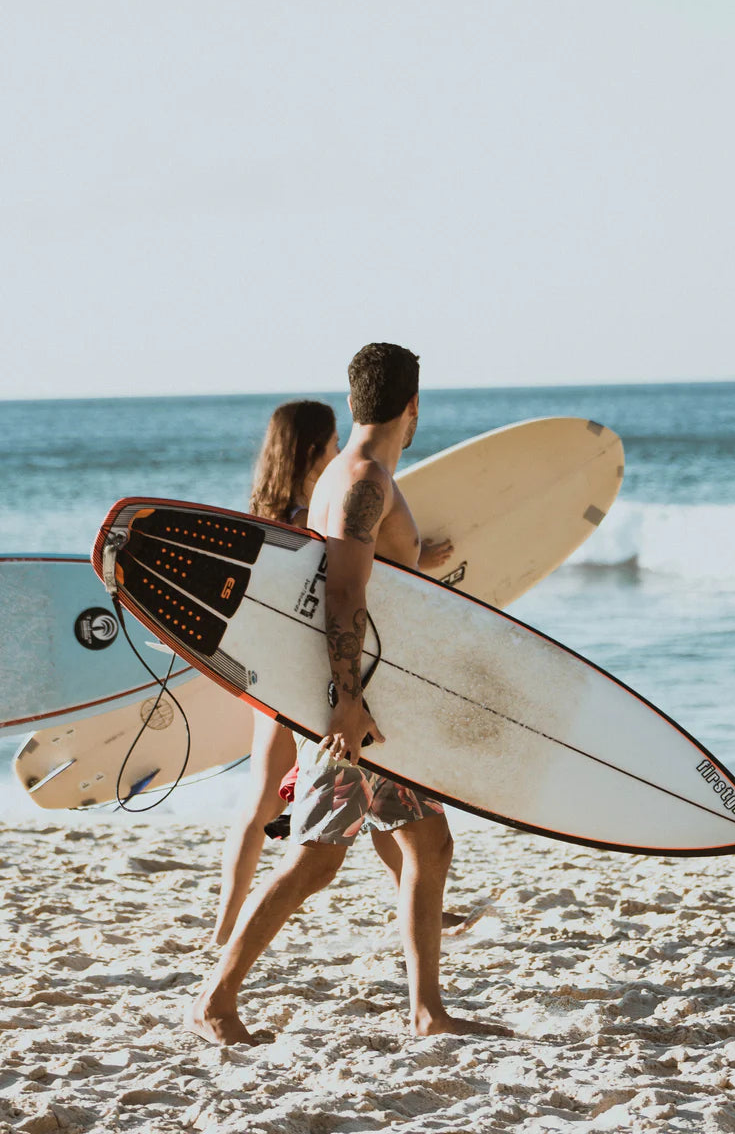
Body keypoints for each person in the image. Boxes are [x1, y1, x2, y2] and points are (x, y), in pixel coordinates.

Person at [188, 344, 507, 1046]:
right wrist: (343, 704)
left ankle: (427, 1010)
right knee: (321, 859)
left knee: (422, 846)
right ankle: (217, 999)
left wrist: (417, 558)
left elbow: (360, 569)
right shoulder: (364, 477)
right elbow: (342, 592)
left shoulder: (348, 475)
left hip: (371, 698)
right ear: (413, 406)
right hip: (358, 703)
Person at [213, 396, 454, 947]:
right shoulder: (313, 513)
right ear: (313, 449)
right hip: (317, 679)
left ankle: (226, 930)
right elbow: (339, 589)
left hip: (285, 668)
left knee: (386, 819)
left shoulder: (275, 513)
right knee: (296, 831)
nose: (335, 451)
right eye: (328, 443)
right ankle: (225, 946)